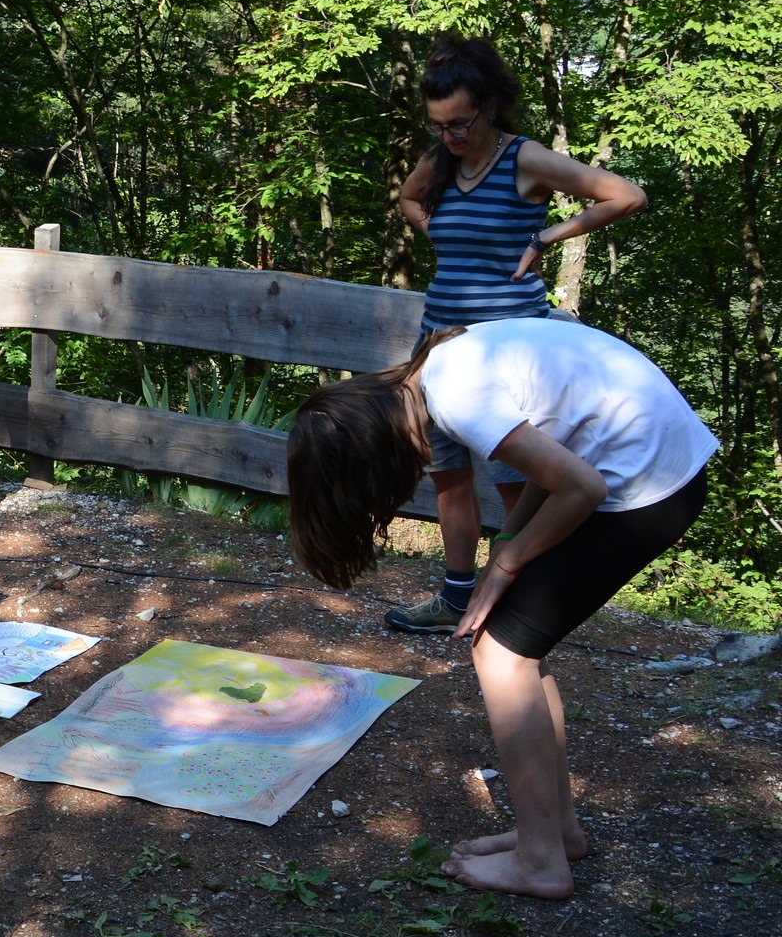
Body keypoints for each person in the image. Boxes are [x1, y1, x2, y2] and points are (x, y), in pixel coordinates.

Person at [286, 317, 715, 898]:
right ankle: (557, 835)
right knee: (521, 651)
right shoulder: (440, 367)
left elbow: (582, 487)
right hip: (657, 465)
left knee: (502, 656)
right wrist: (505, 551)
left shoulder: (457, 399)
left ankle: (540, 862)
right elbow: (558, 457)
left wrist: (509, 564)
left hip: (645, 484)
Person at [384, 35, 648, 634]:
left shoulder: (524, 159)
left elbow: (627, 195)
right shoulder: (443, 158)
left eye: (459, 123)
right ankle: (455, 597)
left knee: (518, 485)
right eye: (438, 125)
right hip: (437, 346)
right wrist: (436, 231)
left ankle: (524, 601)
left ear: (491, 106)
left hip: (507, 355)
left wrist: (545, 238)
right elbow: (407, 196)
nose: (448, 136)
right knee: (447, 475)